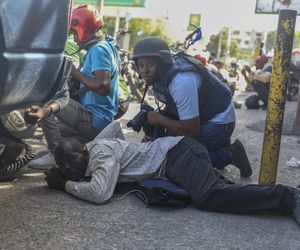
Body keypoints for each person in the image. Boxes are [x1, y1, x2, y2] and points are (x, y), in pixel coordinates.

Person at [45, 126, 300, 226]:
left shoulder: (100, 153)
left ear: (84, 149)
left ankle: (289, 197)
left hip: (178, 153)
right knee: (214, 189)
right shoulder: (93, 152)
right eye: (62, 165)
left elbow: (100, 193)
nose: (67, 167)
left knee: (208, 196)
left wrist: (64, 184)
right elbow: (113, 127)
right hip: (174, 160)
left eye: (70, 160)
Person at [130, 37, 251, 177]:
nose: (144, 70)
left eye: (150, 64)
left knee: (176, 159)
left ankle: (230, 154)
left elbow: (191, 131)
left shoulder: (181, 82)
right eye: (141, 65)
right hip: (202, 114)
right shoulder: (161, 75)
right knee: (165, 145)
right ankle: (216, 148)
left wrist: (158, 119)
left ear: (162, 63)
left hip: (219, 120)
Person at [28, 4, 120, 166]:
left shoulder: (99, 49)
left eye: (74, 33)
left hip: (94, 120)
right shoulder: (105, 46)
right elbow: (96, 85)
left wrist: (75, 73)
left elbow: (104, 87)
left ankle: (55, 153)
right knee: (55, 126)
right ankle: (62, 150)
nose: (75, 38)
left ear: (84, 28)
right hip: (98, 120)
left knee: (46, 98)